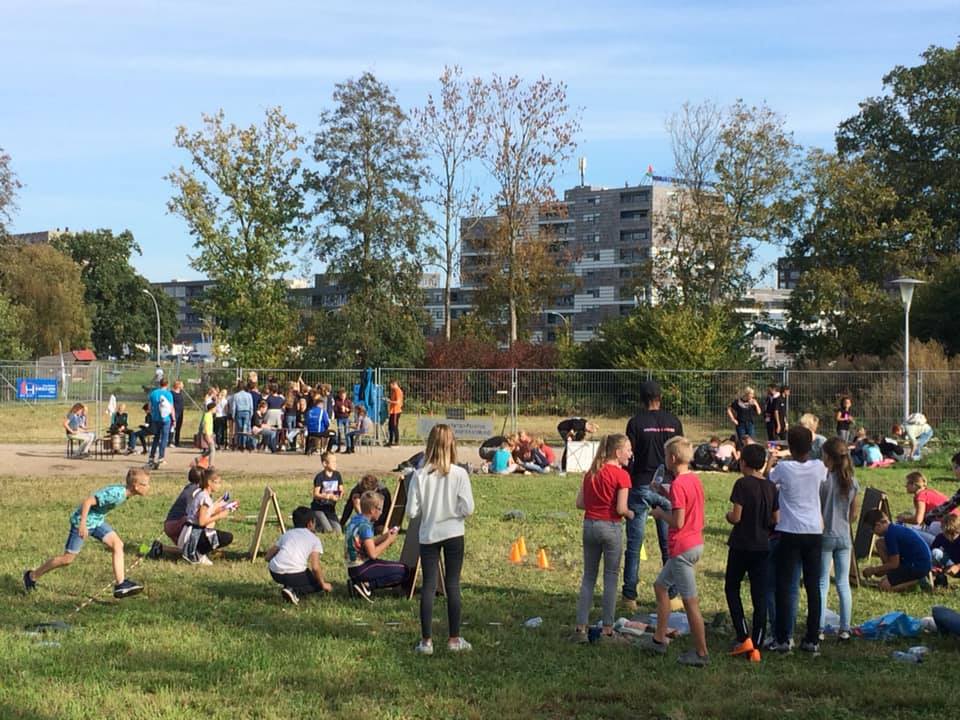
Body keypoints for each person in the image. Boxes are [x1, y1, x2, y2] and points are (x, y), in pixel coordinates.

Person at [24, 468, 150, 598]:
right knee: (67, 559)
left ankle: (121, 584)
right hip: (82, 523)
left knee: (117, 544)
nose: (148, 487)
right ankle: (32, 576)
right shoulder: (116, 494)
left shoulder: (124, 494)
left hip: (96, 522)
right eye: (146, 484)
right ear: (136, 486)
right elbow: (87, 502)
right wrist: (82, 524)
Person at [408, 424, 475, 655]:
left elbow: (412, 511)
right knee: (452, 584)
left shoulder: (419, 475)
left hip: (429, 534)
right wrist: (455, 511)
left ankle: (426, 641)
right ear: (452, 445)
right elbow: (469, 508)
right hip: (454, 532)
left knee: (428, 585)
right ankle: (454, 639)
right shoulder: (460, 474)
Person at [641, 436, 708, 667]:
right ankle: (659, 638)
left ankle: (701, 653)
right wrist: (664, 491)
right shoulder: (693, 480)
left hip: (682, 549)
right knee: (660, 586)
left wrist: (661, 514)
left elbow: (678, 522)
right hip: (695, 542)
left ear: (671, 458)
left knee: (690, 602)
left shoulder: (678, 484)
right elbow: (686, 503)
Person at [622, 380, 682, 612]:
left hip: (641, 484)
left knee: (634, 544)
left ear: (641, 399)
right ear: (660, 397)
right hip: (667, 486)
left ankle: (629, 596)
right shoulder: (674, 422)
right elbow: (681, 452)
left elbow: (629, 456)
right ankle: (673, 595)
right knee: (668, 544)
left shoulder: (635, 423)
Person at [571, 434, 634, 644]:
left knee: (588, 576)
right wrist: (631, 513)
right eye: (628, 450)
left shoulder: (592, 472)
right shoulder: (621, 475)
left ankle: (580, 628)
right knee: (610, 577)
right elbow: (621, 508)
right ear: (618, 452)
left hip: (589, 525)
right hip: (610, 527)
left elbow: (580, 503)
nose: (630, 454)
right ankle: (608, 629)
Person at [770, 425, 826, 653]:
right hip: (814, 530)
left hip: (790, 530)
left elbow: (769, 480)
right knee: (813, 586)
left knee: (784, 585)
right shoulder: (818, 466)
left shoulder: (784, 468)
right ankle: (812, 638)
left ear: (789, 447)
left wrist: (771, 459)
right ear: (810, 446)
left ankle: (784, 637)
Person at [724, 443, 779, 662]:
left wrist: (728, 516)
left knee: (732, 587)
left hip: (741, 544)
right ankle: (757, 643)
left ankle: (742, 634)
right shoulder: (771, 487)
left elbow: (736, 517)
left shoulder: (742, 484)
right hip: (762, 546)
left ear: (743, 462)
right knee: (760, 595)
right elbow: (776, 518)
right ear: (763, 463)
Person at [818, 437, 859, 641]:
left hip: (825, 535)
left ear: (829, 458)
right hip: (844, 537)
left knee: (822, 583)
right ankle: (845, 628)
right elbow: (854, 514)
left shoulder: (824, 481)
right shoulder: (852, 481)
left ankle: (818, 628)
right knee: (843, 583)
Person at [344, 490, 409, 601]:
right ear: (372, 510)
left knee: (393, 566)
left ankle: (359, 583)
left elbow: (366, 544)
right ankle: (366, 585)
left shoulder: (355, 520)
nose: (381, 512)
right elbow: (373, 554)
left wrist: (385, 537)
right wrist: (389, 541)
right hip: (362, 567)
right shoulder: (365, 526)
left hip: (353, 568)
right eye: (380, 509)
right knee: (404, 570)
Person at [266, 506, 333, 605]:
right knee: (317, 584)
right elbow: (315, 567)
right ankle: (294, 590)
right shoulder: (314, 539)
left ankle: (288, 587)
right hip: (295, 573)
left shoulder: (287, 534)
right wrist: (323, 584)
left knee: (300, 575)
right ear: (310, 523)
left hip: (275, 571)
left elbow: (268, 556)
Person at [861, 508, 932, 591]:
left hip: (917, 566)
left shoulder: (891, 535)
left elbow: (894, 563)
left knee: (883, 586)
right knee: (880, 543)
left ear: (878, 525)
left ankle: (918, 581)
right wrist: (882, 570)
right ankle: (893, 574)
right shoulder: (893, 529)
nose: (874, 533)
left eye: (872, 530)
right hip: (917, 562)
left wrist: (874, 569)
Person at [178, 467, 236, 564]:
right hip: (193, 535)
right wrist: (219, 516)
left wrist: (225, 508)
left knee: (218, 534)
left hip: (190, 532)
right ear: (209, 482)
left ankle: (198, 551)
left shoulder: (202, 494)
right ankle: (198, 552)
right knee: (226, 537)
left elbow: (208, 512)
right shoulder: (205, 498)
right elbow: (202, 522)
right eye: (217, 482)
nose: (219, 485)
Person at [897, 471, 954, 538]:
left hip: (948, 526)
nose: (905, 486)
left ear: (914, 485)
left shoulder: (921, 496)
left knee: (909, 531)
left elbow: (918, 520)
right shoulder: (930, 491)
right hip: (954, 523)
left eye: (907, 483)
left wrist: (903, 519)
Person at [311, 451, 343, 534]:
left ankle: (322, 523)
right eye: (333, 462)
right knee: (328, 530)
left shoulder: (337, 475)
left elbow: (341, 489)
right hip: (319, 509)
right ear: (325, 463)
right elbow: (315, 494)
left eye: (336, 462)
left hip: (330, 509)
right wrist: (328, 496)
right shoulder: (320, 477)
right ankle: (316, 525)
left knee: (338, 531)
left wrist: (339, 495)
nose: (335, 464)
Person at [147, 378, 174, 469]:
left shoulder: (153, 393)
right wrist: (173, 418)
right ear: (167, 384)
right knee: (164, 439)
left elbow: (149, 407)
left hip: (155, 418)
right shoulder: (169, 394)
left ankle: (151, 457)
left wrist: (153, 414)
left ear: (160, 384)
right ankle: (161, 457)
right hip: (165, 419)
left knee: (156, 438)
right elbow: (171, 408)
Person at [931, 514, 960, 587]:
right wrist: (933, 567)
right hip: (949, 565)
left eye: (953, 533)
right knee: (935, 552)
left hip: (957, 567)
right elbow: (931, 552)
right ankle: (940, 580)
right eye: (947, 533)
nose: (950, 536)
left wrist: (957, 567)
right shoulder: (940, 537)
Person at [232, 380, 254, 451]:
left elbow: (234, 407)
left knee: (239, 428)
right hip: (247, 412)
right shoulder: (249, 395)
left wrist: (233, 415)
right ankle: (244, 444)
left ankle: (240, 444)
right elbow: (251, 406)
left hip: (239, 412)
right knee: (245, 428)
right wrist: (251, 413)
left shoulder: (236, 395)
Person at [332, 388, 353, 452]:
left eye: (344, 395)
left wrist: (347, 409)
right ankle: (339, 447)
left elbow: (351, 409)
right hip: (340, 418)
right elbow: (334, 409)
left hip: (346, 418)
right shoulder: (337, 401)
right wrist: (340, 410)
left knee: (347, 433)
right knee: (339, 433)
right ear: (339, 395)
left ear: (345, 395)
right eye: (341, 395)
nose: (342, 396)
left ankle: (348, 448)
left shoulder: (348, 401)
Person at [199, 399, 216, 468]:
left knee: (209, 450)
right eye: (215, 408)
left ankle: (199, 459)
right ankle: (210, 465)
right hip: (207, 434)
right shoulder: (207, 415)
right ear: (212, 409)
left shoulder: (210, 415)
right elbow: (205, 425)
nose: (216, 410)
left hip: (210, 434)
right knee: (212, 450)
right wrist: (207, 436)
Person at [387, 379, 404, 446]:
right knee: (390, 426)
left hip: (396, 411)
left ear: (394, 384)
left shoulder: (398, 391)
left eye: (391, 385)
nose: (390, 387)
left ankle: (396, 441)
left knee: (394, 426)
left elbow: (398, 402)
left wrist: (389, 401)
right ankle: (390, 441)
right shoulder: (393, 391)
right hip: (392, 411)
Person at [172, 379, 185, 447]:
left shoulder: (180, 393)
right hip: (175, 412)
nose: (183, 386)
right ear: (178, 385)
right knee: (172, 427)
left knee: (178, 427)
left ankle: (177, 442)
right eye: (182, 384)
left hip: (180, 412)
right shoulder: (172, 393)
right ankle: (170, 441)